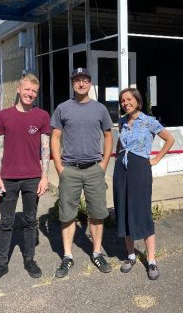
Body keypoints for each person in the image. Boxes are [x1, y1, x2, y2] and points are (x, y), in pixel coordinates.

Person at [0, 73, 51, 285]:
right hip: (8, 178)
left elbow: (45, 149)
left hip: (33, 177)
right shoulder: (4, 115)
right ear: (18, 90)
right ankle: (2, 264)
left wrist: (45, 176)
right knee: (6, 222)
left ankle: (30, 260)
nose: (30, 94)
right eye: (27, 90)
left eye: (34, 91)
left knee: (31, 220)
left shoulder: (42, 116)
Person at [50, 67, 113, 278]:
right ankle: (67, 256)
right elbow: (55, 138)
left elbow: (108, 136)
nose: (81, 83)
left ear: (90, 83)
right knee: (67, 215)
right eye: (77, 80)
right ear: (72, 84)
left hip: (94, 169)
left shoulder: (100, 109)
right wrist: (59, 168)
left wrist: (103, 164)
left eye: (85, 80)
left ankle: (96, 252)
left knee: (97, 213)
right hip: (70, 170)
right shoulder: (62, 108)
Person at [113, 88, 174, 280]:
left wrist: (155, 160)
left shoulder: (148, 121)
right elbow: (119, 145)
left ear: (137, 101)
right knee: (123, 210)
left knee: (142, 211)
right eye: (122, 100)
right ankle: (131, 255)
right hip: (122, 168)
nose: (125, 103)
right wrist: (117, 160)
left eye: (129, 99)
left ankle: (152, 260)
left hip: (140, 168)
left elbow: (169, 139)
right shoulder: (122, 122)